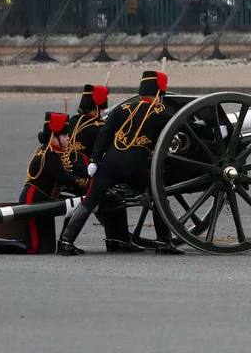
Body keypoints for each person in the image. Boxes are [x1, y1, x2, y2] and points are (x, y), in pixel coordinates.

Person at [57, 71, 184, 256]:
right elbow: (187, 126)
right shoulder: (162, 113)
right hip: (135, 167)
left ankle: (66, 242)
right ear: (158, 94)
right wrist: (217, 131)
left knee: (89, 201)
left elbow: (104, 134)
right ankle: (163, 242)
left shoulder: (124, 109)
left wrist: (95, 160)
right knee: (159, 196)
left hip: (108, 164)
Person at [66, 84, 144, 253]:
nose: (104, 112)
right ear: (95, 108)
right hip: (84, 175)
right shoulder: (97, 127)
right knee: (114, 195)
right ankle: (118, 240)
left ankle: (115, 240)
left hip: (68, 173)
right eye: (102, 109)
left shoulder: (72, 121)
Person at [20, 113, 89, 254]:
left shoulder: (55, 151)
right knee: (33, 248)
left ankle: (65, 241)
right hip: (33, 200)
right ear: (54, 138)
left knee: (46, 244)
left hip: (45, 199)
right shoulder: (48, 154)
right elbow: (64, 177)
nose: (68, 138)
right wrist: (86, 183)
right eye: (64, 136)